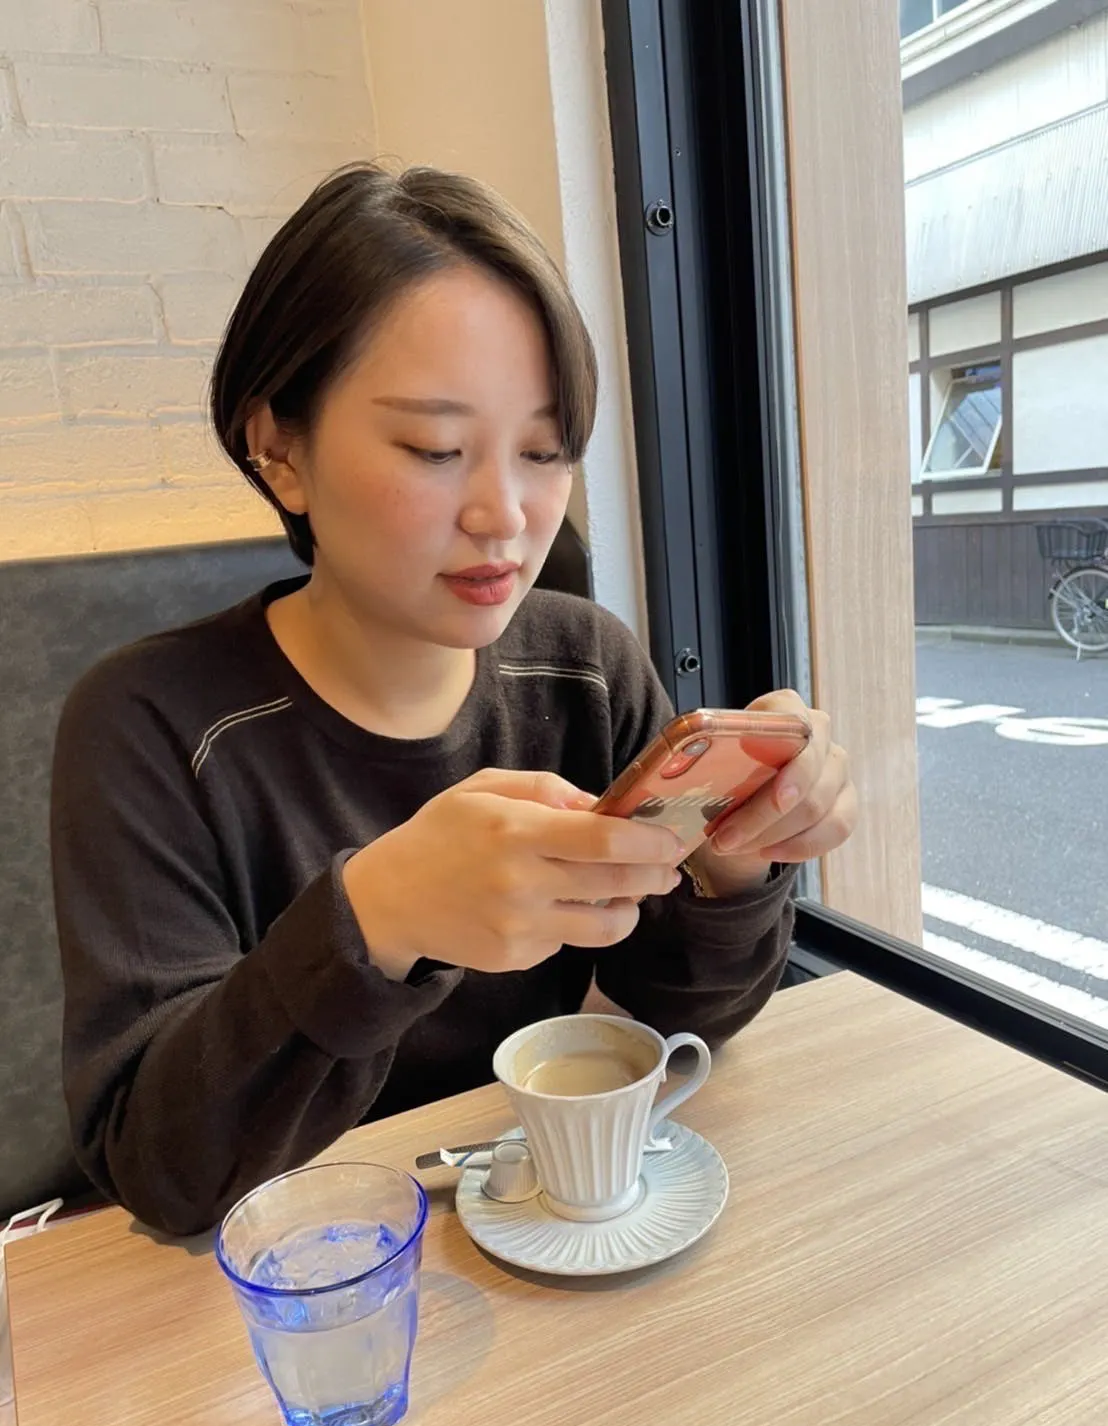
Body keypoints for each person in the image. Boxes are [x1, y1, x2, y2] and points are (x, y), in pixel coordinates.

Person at [51, 164, 857, 1236]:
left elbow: (681, 1015)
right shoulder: (150, 725)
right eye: (435, 448)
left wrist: (735, 862)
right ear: (279, 448)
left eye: (543, 451)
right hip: (297, 1267)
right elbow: (159, 1169)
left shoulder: (584, 665)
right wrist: (379, 917)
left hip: (532, 1224)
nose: (505, 516)